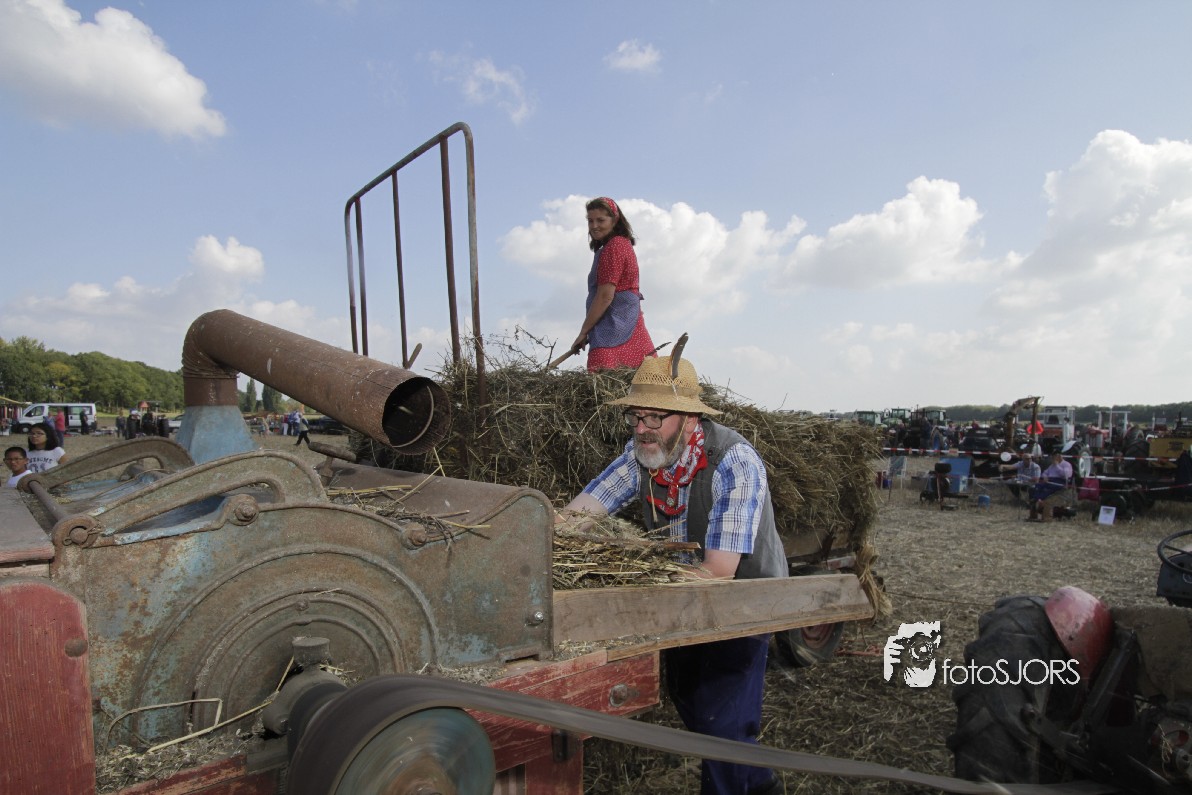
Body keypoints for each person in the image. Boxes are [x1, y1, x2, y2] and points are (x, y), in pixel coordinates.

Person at [558, 354, 785, 795]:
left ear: (690, 417)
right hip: (682, 598)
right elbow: (578, 516)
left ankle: (739, 781)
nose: (642, 428)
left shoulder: (733, 461)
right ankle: (760, 784)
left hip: (743, 603)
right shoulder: (641, 456)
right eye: (635, 416)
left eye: (655, 417)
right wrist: (536, 530)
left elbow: (718, 571)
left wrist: (633, 586)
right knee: (692, 702)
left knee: (722, 725)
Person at [568, 197, 656, 372]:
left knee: (603, 377)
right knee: (638, 379)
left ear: (615, 220)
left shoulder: (615, 246)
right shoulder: (618, 245)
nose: (594, 226)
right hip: (623, 322)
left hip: (615, 327)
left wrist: (584, 331)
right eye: (590, 221)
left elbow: (605, 296)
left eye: (600, 220)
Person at [1029, 451, 1073, 522]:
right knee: (1036, 487)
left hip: (1059, 482)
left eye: (1055, 457)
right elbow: (1045, 473)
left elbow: (1066, 475)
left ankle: (1045, 514)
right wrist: (1045, 477)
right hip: (1049, 481)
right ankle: (1036, 499)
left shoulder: (1066, 464)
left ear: (1059, 456)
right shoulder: (1051, 466)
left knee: (1047, 493)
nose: (1053, 459)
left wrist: (1057, 465)